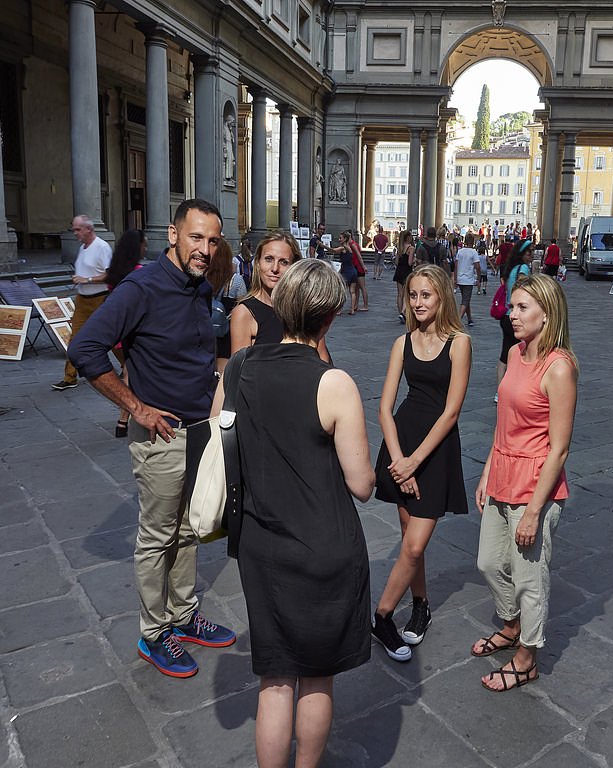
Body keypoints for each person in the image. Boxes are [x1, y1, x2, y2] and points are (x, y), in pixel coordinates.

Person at [213, 258, 374, 768]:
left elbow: (220, 439)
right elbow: (361, 485)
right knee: (316, 676)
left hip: (260, 546)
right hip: (323, 545)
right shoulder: (334, 383)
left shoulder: (239, 367)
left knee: (275, 678)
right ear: (329, 318)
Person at [68, 198, 237, 678]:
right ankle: (154, 632)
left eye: (212, 240)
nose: (205, 249)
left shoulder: (199, 287)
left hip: (199, 432)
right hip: (161, 438)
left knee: (188, 530)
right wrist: (136, 407)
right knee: (158, 536)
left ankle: (182, 616)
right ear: (173, 234)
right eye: (196, 237)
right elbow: (84, 348)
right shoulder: (141, 287)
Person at [473, 273, 578, 692]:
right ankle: (512, 624)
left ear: (546, 314)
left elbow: (560, 449)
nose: (511, 314)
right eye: (512, 306)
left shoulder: (560, 368)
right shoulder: (516, 353)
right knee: (488, 562)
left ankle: (527, 657)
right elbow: (504, 422)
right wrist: (487, 471)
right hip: (502, 473)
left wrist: (535, 511)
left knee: (529, 579)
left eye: (521, 308)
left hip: (535, 486)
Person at [371, 264, 471, 662]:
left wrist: (414, 462)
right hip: (402, 444)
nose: (417, 302)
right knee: (410, 540)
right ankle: (421, 604)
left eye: (425, 295)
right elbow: (384, 407)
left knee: (413, 546)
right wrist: (399, 460)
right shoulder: (402, 342)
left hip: (433, 451)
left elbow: (451, 412)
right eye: (413, 295)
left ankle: (381, 617)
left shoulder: (459, 343)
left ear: (442, 296)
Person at [229, 231, 331, 363]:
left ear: (293, 266)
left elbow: (323, 361)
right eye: (269, 259)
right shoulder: (244, 313)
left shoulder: (304, 308)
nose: (275, 268)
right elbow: (238, 370)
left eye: (283, 262)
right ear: (258, 262)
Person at [53, 215, 113, 391]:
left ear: (89, 229)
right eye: (74, 230)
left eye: (78, 229)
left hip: (100, 298)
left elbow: (110, 274)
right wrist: (79, 279)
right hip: (82, 299)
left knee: (112, 336)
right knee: (75, 339)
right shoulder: (82, 248)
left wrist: (87, 279)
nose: (75, 233)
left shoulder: (102, 247)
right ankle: (69, 377)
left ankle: (127, 366)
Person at [105, 228, 147, 437]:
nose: (146, 248)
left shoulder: (114, 271)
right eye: (144, 244)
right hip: (132, 332)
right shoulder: (139, 272)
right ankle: (123, 420)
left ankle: (124, 420)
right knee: (130, 374)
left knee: (127, 371)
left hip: (117, 333)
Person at [496, 240, 533, 401]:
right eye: (529, 252)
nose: (531, 255)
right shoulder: (523, 269)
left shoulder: (511, 269)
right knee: (522, 353)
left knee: (505, 354)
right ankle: (518, 388)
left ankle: (499, 391)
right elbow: (525, 291)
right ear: (522, 253)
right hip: (519, 316)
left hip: (506, 315)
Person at [208, 238, 249, 373]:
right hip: (228, 333)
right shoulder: (236, 280)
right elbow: (242, 306)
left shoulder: (204, 277)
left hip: (206, 330)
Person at [454, 233, 481, 327]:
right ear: (473, 242)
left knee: (466, 299)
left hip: (460, 278)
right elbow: (477, 266)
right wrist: (478, 278)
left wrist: (455, 279)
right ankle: (457, 321)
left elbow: (456, 266)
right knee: (465, 300)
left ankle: (469, 319)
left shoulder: (460, 251)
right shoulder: (473, 252)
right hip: (468, 279)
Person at [393, 229, 416, 324]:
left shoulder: (400, 247)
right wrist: (415, 260)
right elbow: (410, 263)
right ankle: (403, 313)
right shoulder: (411, 248)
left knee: (400, 294)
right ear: (408, 237)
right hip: (407, 272)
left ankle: (400, 313)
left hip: (399, 271)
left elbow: (396, 262)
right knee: (407, 294)